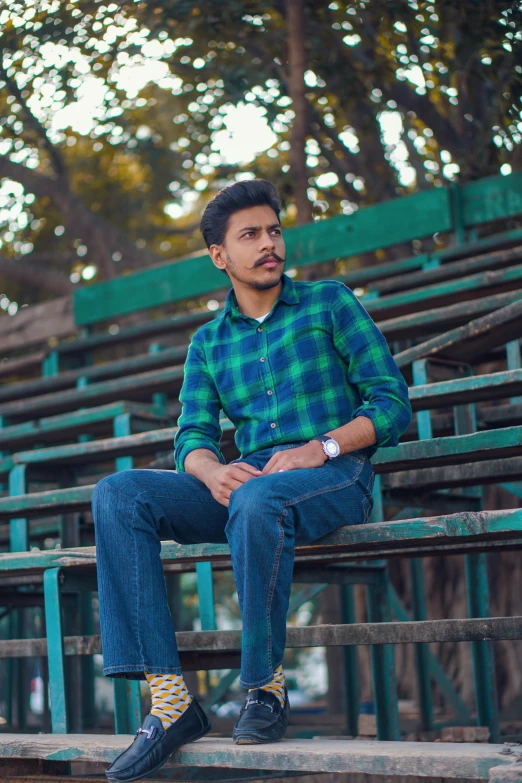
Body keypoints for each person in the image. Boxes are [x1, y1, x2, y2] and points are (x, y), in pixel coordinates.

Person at [93, 179, 412, 782]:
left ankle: (264, 687)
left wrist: (322, 448)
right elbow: (191, 434)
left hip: (334, 476)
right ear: (220, 256)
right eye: (251, 235)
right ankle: (170, 702)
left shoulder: (330, 303)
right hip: (250, 489)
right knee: (119, 493)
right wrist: (211, 470)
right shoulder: (208, 343)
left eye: (274, 231)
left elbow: (392, 404)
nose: (269, 244)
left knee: (260, 498)